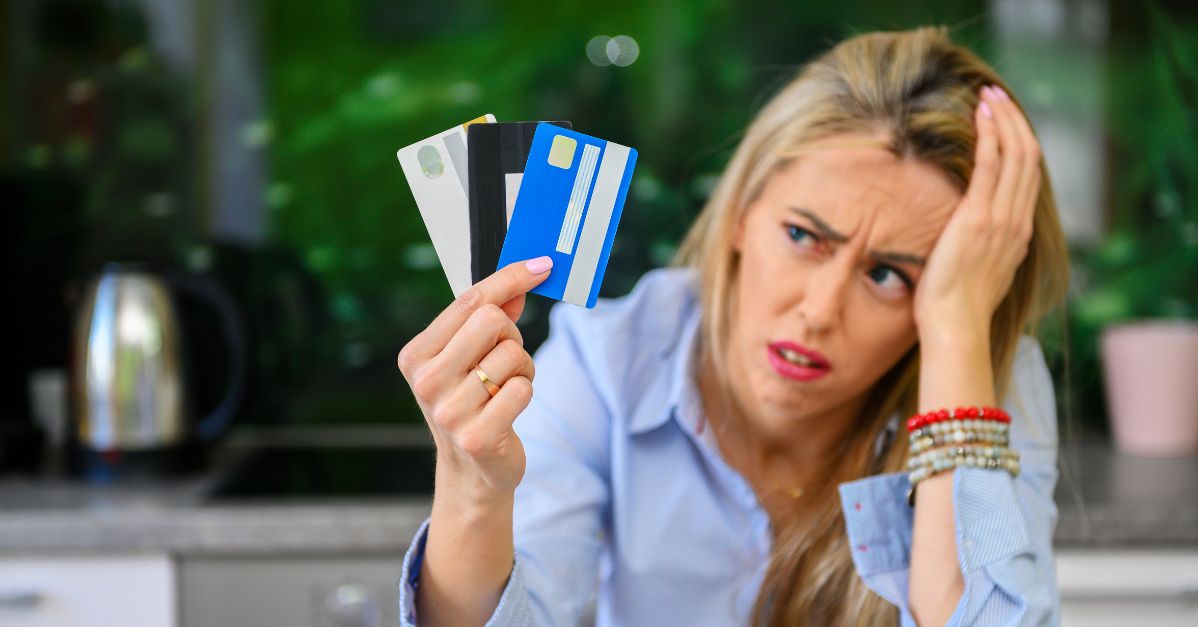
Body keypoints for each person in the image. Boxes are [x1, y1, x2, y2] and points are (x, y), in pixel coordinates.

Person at [396, 25, 1069, 626]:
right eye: (804, 234)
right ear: (742, 210)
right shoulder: (608, 360)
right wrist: (473, 486)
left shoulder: (979, 371)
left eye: (890, 275)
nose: (818, 310)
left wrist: (954, 332)